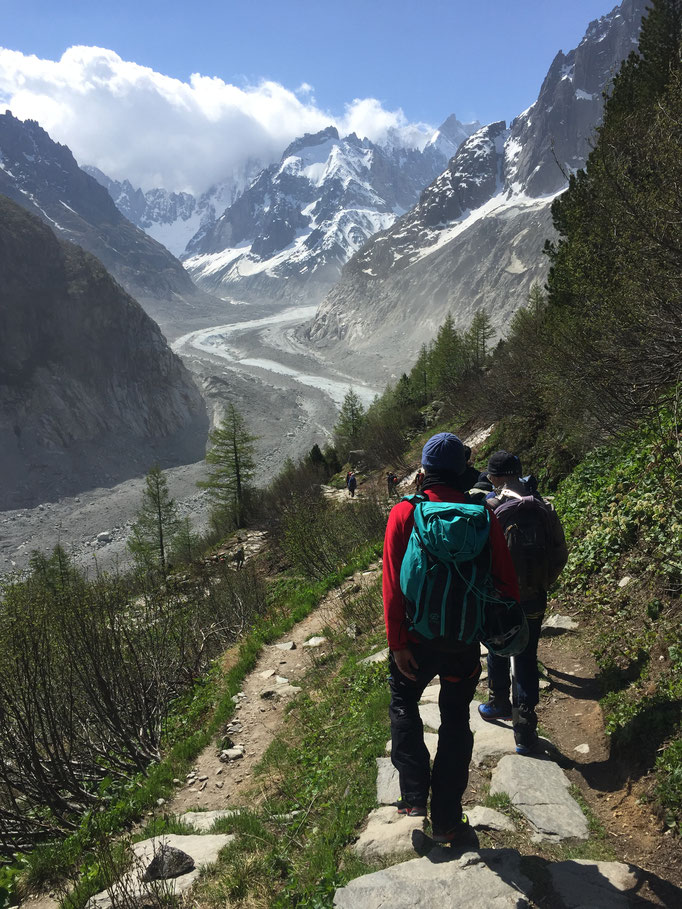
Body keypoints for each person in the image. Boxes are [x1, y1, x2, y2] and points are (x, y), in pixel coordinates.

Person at [383, 432, 520, 842]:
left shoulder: (405, 512)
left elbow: (392, 585)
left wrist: (398, 642)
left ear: (424, 471)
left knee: (404, 704)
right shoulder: (482, 515)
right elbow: (506, 585)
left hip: (416, 641)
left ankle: (412, 797)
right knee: (455, 720)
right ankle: (446, 818)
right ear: (463, 470)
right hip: (461, 643)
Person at [479, 450, 568, 754]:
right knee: (527, 656)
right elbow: (559, 553)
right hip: (534, 596)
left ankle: (498, 703)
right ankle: (525, 732)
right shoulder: (541, 505)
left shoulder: (490, 507)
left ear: (494, 477)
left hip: (500, 598)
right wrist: (542, 582)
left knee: (497, 645)